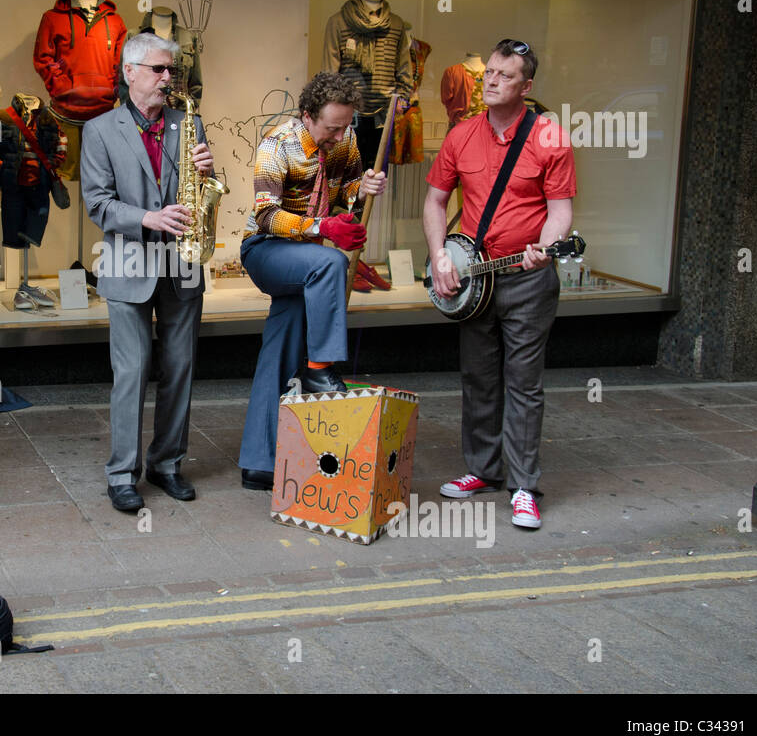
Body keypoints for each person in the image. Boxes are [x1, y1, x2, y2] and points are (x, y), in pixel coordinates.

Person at [423, 39, 576, 529]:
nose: (490, 81)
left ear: (526, 87)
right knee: (479, 377)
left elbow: (560, 213)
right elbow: (433, 203)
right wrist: (439, 255)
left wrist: (544, 248)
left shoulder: (549, 137)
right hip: (473, 278)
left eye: (504, 76)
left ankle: (525, 486)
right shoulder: (461, 135)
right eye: (488, 72)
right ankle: (483, 470)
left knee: (524, 384)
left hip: (526, 279)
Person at [81, 32, 214, 512]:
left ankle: (167, 464)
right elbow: (97, 203)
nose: (166, 79)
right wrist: (147, 218)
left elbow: (207, 190)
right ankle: (122, 474)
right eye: (158, 70)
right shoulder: (99, 130)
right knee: (132, 372)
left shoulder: (189, 123)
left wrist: (206, 170)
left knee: (180, 369)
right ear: (129, 72)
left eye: (170, 71)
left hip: (182, 263)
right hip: (128, 261)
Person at [236, 72, 387, 492]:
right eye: (331, 128)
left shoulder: (346, 141)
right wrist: (324, 226)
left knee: (279, 347)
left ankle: (259, 462)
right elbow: (266, 216)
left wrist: (368, 189)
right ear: (307, 116)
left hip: (306, 258)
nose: (339, 136)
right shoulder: (276, 144)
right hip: (265, 250)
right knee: (330, 263)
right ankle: (322, 367)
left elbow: (352, 196)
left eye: (345, 127)